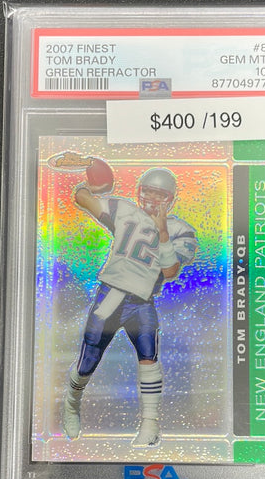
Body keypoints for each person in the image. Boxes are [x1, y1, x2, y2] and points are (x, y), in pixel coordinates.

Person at [63, 165, 197, 447]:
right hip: (110, 296)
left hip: (142, 302)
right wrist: (94, 186)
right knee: (88, 362)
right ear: (139, 192)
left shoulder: (180, 230)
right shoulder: (123, 210)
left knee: (149, 358)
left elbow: (170, 271)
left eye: (159, 194)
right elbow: (82, 198)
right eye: (148, 191)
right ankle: (71, 404)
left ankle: (150, 425)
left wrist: (162, 232)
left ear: (171, 199)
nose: (152, 198)